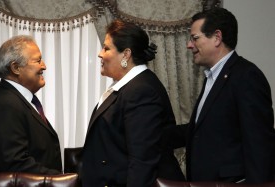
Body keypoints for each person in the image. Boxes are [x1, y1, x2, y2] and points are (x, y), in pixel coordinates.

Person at [81, 19, 185, 187]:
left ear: (126, 54)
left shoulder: (141, 90)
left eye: (106, 48)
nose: (100, 54)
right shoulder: (129, 87)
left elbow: (142, 160)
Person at [182, 7, 275, 183]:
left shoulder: (246, 76)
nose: (189, 45)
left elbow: (259, 144)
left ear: (217, 37)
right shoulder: (212, 76)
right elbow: (210, 128)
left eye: (195, 38)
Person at [0, 35, 62, 174]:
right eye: (38, 60)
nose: (44, 66)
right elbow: (15, 166)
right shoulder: (6, 105)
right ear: (16, 68)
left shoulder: (16, 100)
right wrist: (64, 180)